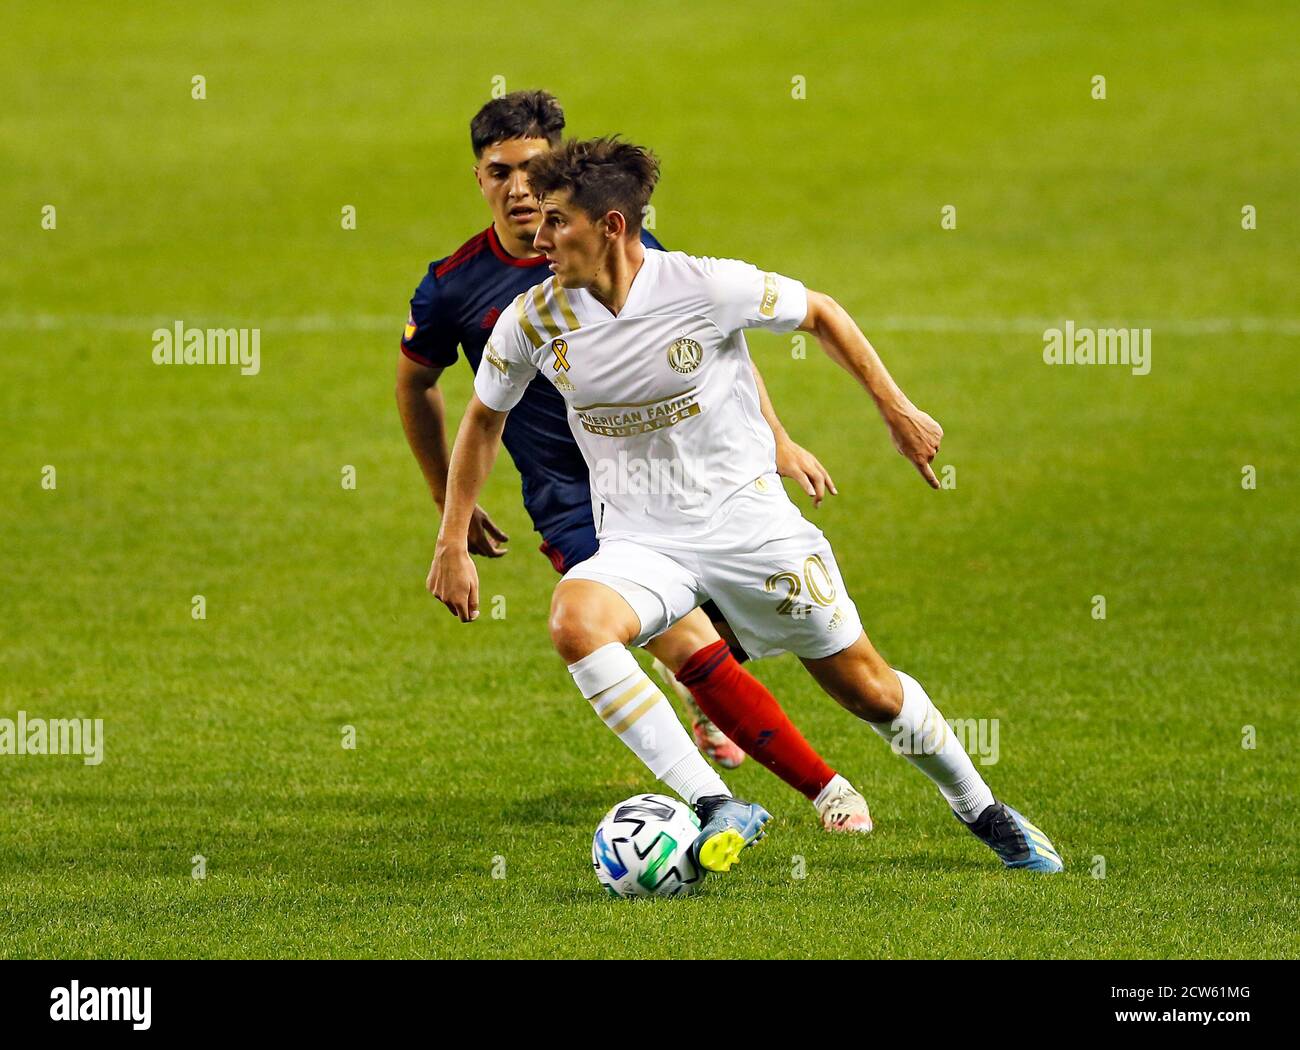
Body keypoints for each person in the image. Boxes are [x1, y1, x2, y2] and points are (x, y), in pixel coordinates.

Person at [430, 137, 1064, 875]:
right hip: (643, 541)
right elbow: (482, 419)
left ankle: (983, 810)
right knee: (576, 622)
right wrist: (449, 539)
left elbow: (821, 313)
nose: (537, 239)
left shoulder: (705, 287)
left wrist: (895, 410)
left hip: (748, 526)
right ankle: (712, 802)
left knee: (869, 690)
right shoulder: (533, 319)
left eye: (556, 223)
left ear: (611, 226)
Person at [398, 93, 873, 833]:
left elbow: (719, 352)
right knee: (686, 642)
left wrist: (775, 440)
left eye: (532, 171)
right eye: (500, 173)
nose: (519, 190)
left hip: (680, 480)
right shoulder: (455, 285)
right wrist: (447, 516)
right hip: (574, 498)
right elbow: (423, 386)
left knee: (732, 630)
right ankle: (824, 792)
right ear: (479, 178)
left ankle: (711, 713)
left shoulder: (619, 252)